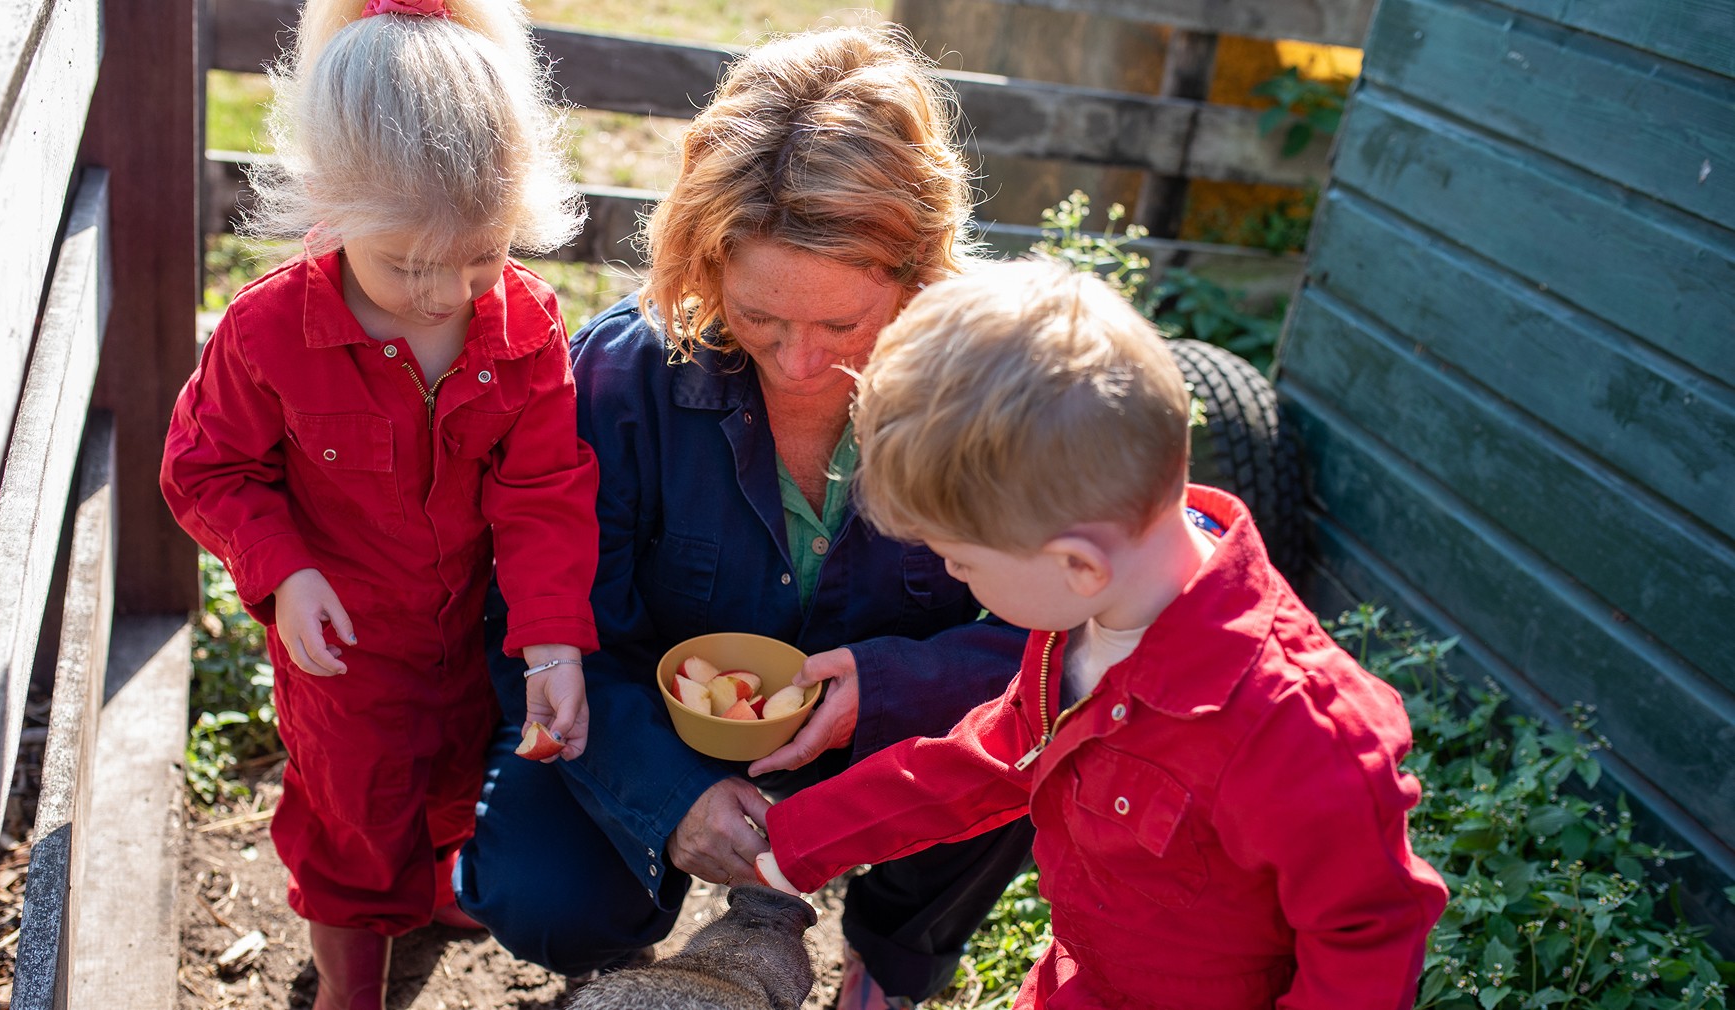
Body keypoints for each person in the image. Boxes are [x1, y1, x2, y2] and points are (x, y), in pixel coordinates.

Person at [455, 24, 1035, 1010]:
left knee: (1030, 748)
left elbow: (1064, 638)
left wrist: (891, 684)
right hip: (665, 720)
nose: (799, 361)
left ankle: (888, 956)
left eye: (842, 325)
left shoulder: (990, 385)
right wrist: (667, 794)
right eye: (761, 316)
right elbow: (544, 631)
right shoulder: (624, 374)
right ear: (706, 258)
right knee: (543, 893)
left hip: (886, 737)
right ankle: (653, 921)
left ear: (919, 270)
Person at [753, 260, 1451, 1009]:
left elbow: (1364, 942)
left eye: (961, 560)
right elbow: (996, 755)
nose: (955, 577)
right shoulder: (1086, 619)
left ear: (1077, 563)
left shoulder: (1300, 731)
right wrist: (799, 838)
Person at [159, 1, 596, 1006]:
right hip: (344, 649)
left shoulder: (522, 323)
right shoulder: (269, 332)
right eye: (407, 263)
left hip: (468, 634)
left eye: (481, 256)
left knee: (454, 786)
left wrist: (553, 638)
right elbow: (206, 467)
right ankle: (350, 980)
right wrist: (287, 568)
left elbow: (543, 490)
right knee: (352, 815)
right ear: (332, 203)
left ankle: (438, 894)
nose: (446, 292)